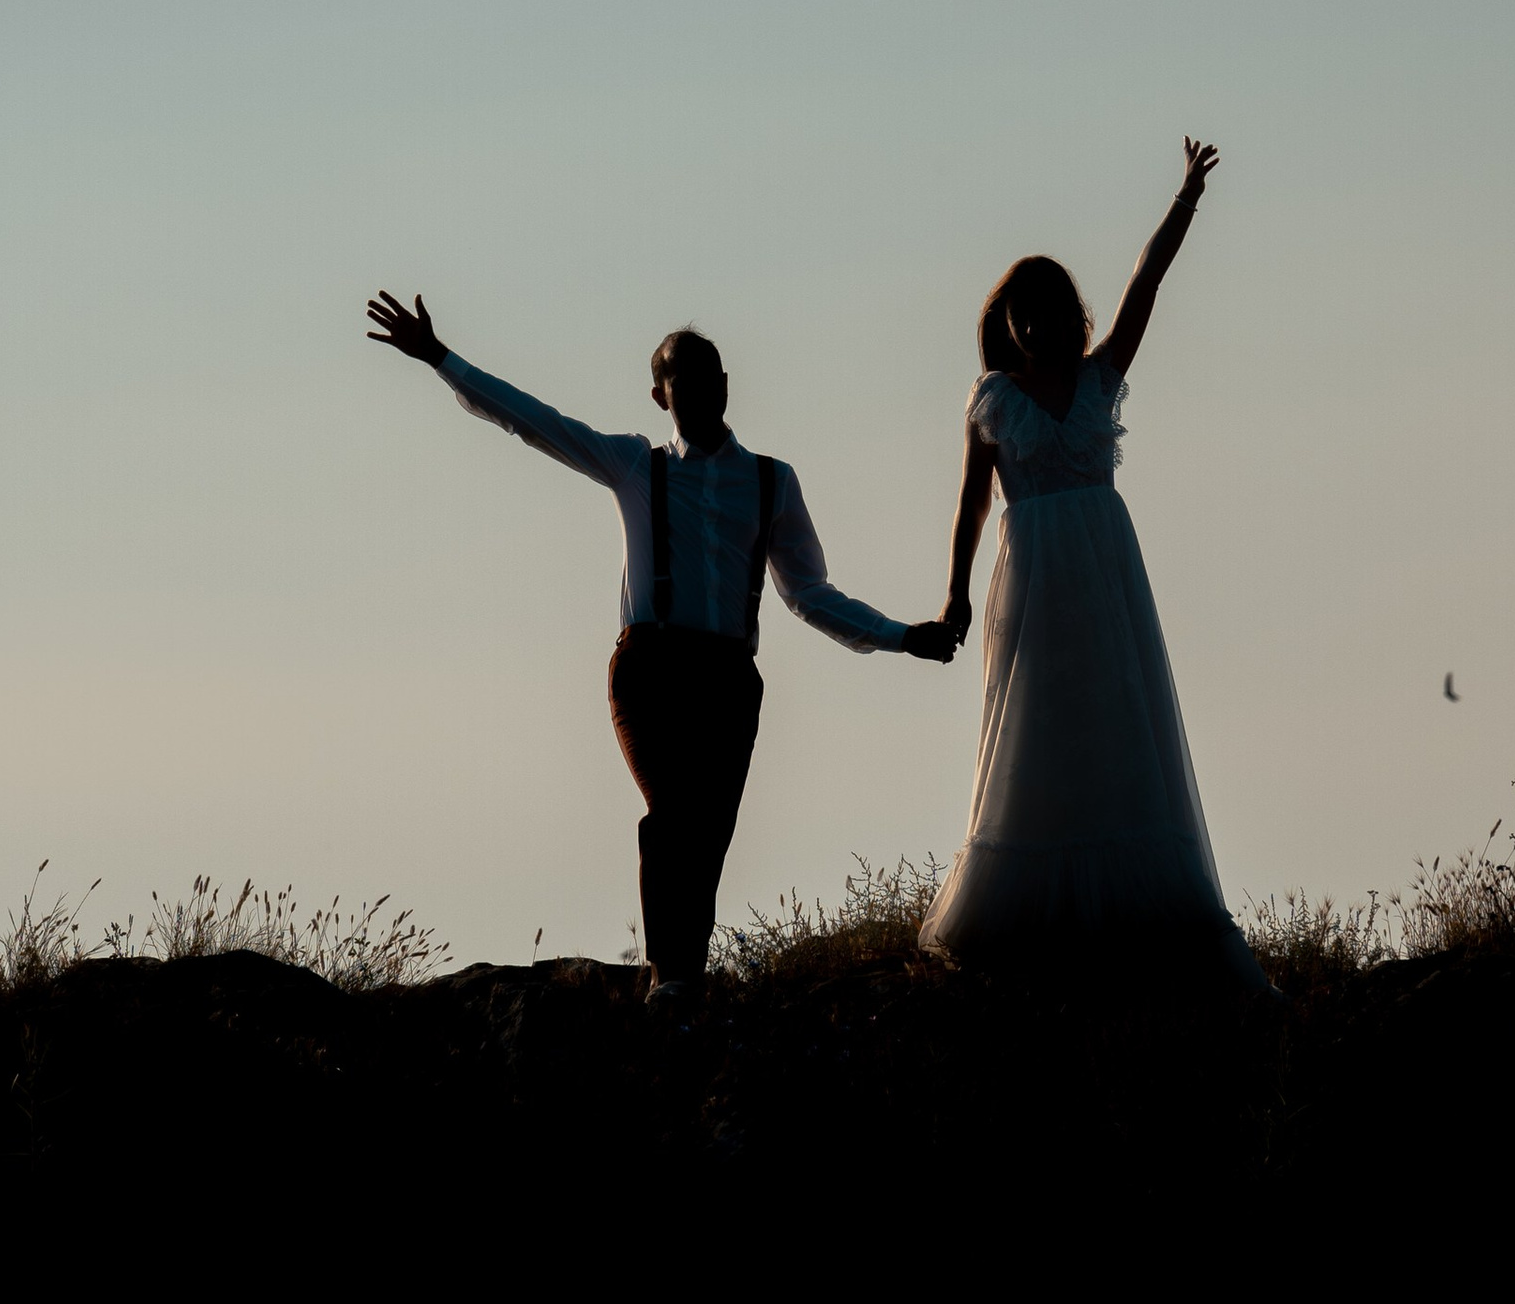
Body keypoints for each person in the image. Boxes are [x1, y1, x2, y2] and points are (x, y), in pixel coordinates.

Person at [366, 288, 956, 1004]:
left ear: (728, 385)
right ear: (659, 394)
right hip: (649, 668)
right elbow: (533, 423)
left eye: (711, 374)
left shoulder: (772, 482)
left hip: (729, 677)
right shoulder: (636, 467)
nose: (701, 388)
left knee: (707, 835)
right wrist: (440, 359)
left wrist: (901, 638)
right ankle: (672, 978)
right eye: (684, 377)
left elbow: (810, 595)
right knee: (674, 812)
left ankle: (679, 980)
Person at [916, 139, 1263, 978]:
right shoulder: (991, 399)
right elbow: (970, 501)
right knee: (1035, 726)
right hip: (1030, 581)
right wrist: (954, 593)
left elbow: (1146, 284)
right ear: (1005, 323)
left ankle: (1141, 919)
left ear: (1070, 316)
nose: (1034, 325)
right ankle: (1030, 919)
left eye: (1048, 311)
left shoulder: (1103, 375)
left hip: (1104, 579)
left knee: (1115, 721)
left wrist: (1185, 201)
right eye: (1020, 314)